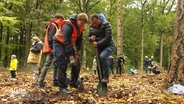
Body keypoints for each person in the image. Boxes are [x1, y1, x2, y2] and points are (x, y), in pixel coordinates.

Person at [53, 13, 88, 93]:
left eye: (83, 23)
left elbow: (79, 40)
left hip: (69, 44)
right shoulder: (68, 25)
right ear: (77, 20)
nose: (81, 24)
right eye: (80, 22)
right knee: (62, 63)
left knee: (77, 63)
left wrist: (78, 51)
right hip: (59, 43)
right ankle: (62, 87)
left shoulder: (81, 27)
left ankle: (73, 82)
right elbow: (67, 41)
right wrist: (71, 56)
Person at [38, 14, 65, 88]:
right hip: (51, 49)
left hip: (52, 48)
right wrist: (53, 49)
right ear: (57, 19)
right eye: (61, 21)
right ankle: (41, 82)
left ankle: (55, 81)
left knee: (56, 65)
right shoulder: (53, 26)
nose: (61, 22)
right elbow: (50, 38)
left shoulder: (53, 25)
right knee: (47, 65)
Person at [88, 13, 114, 83]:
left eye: (96, 23)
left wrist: (98, 43)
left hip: (109, 46)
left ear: (99, 19)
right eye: (93, 24)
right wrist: (91, 38)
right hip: (99, 48)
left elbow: (108, 38)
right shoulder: (91, 27)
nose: (94, 25)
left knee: (102, 56)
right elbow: (88, 37)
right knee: (98, 60)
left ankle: (106, 77)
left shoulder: (106, 24)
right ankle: (100, 78)